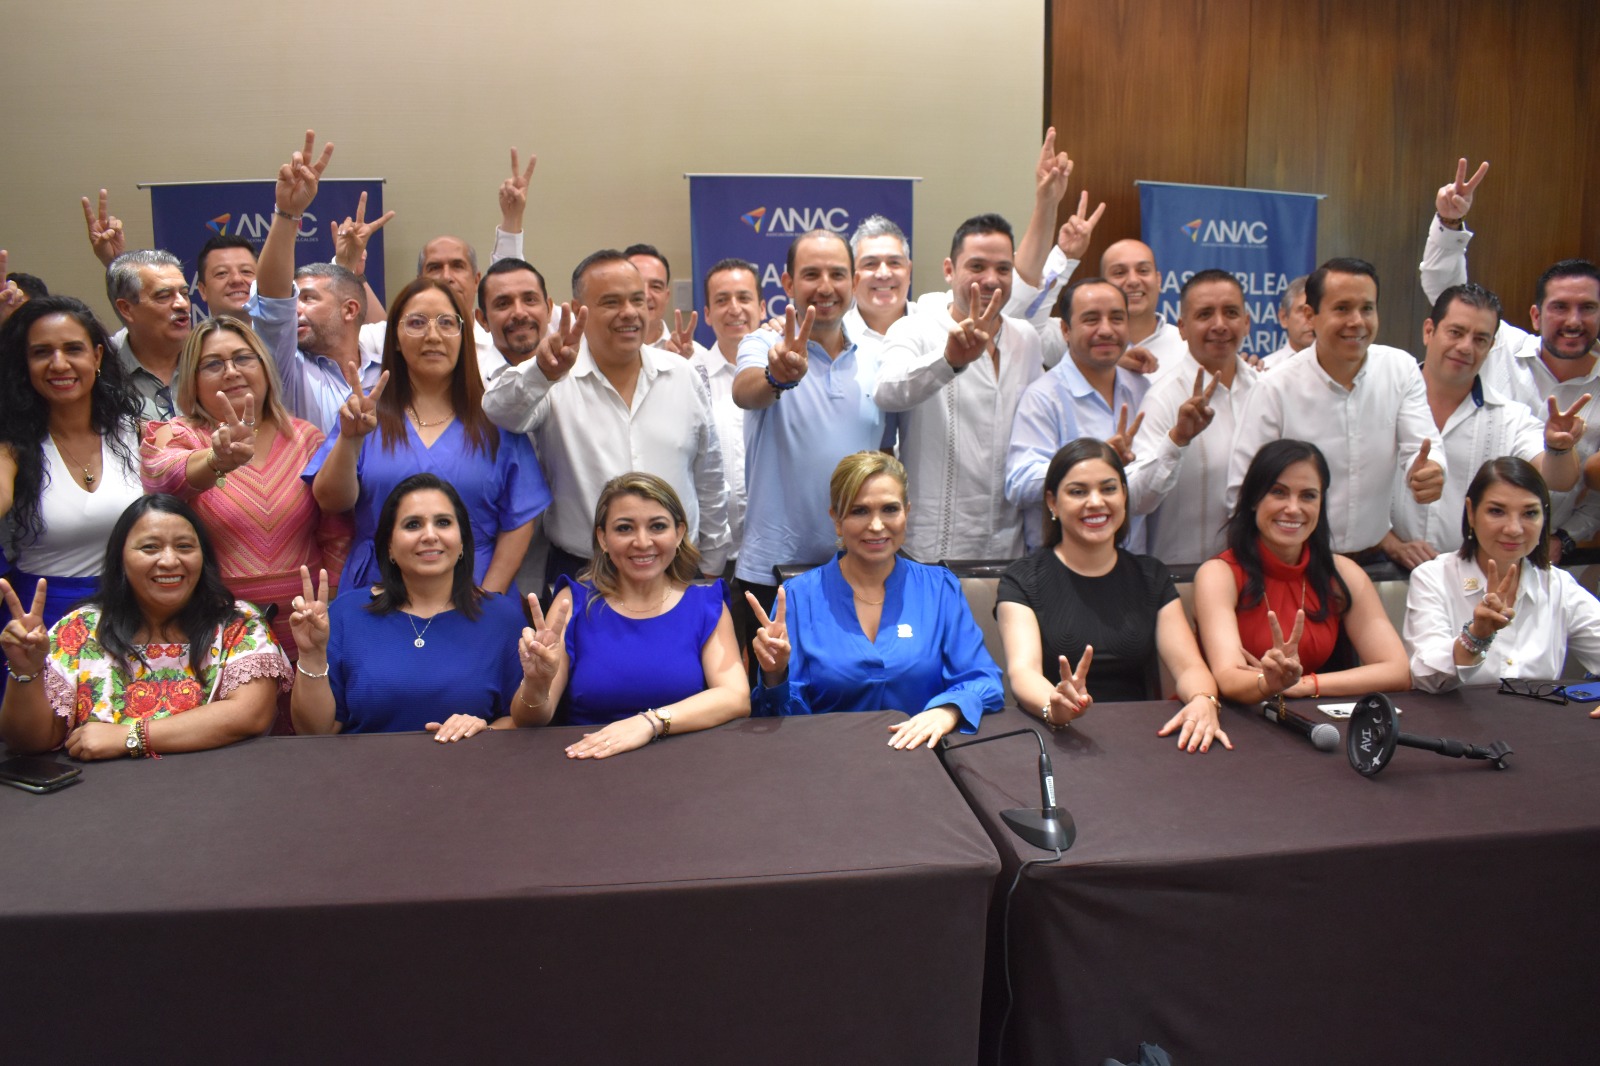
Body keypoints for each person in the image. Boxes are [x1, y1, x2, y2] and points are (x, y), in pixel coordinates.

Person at [481, 251, 729, 594]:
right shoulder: (554, 376)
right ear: (578, 309)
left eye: (637, 300)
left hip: (677, 570)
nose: (629, 312)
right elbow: (498, 411)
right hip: (585, 574)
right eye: (611, 302)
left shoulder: (682, 375)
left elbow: (709, 475)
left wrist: (712, 564)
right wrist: (542, 373)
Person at [139, 317, 350, 692]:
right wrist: (216, 460)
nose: (231, 371)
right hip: (217, 632)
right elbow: (162, 478)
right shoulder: (180, 435)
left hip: (307, 629)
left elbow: (336, 533)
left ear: (265, 367)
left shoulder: (306, 438)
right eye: (213, 364)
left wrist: (329, 604)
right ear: (192, 379)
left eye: (242, 358)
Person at [308, 277, 550, 595]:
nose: (433, 335)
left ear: (464, 337)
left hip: (474, 589)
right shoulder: (365, 411)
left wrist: (488, 598)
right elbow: (331, 501)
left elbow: (519, 519)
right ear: (395, 338)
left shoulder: (495, 416)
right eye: (417, 323)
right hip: (379, 591)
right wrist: (350, 440)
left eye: (446, 323)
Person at [0, 494, 289, 758]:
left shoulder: (237, 624)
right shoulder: (80, 629)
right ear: (121, 559)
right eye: (150, 547)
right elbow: (30, 741)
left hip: (217, 787)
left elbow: (250, 714)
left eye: (184, 547)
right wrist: (26, 671)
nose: (169, 560)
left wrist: (130, 736)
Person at [748, 452, 1002, 749]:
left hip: (924, 760)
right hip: (826, 759)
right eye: (859, 511)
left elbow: (984, 681)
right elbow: (778, 719)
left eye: (890, 509)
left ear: (907, 512)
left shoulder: (940, 588)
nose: (877, 525)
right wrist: (775, 675)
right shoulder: (798, 596)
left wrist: (948, 710)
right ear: (837, 520)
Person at [1419, 159, 1600, 562]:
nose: (1573, 321)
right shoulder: (1497, 342)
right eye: (1560, 307)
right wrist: (1449, 223)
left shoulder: (1516, 416)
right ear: (1536, 315)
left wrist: (1567, 538)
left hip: (1541, 555)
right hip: (1445, 545)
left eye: (1587, 308)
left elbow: (1582, 487)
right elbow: (1451, 295)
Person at [996, 439, 1229, 752]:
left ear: (1124, 495)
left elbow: (1188, 666)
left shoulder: (1150, 576)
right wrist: (1056, 706)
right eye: (1078, 492)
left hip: (1143, 738)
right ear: (1052, 502)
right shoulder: (1022, 579)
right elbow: (1023, 671)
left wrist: (1203, 699)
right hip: (1054, 738)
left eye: (1108, 489)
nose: (1096, 502)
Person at [511, 473, 748, 759]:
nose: (642, 542)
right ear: (603, 538)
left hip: (688, 764)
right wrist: (536, 684)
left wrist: (650, 723)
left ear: (679, 533)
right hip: (589, 764)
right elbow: (529, 720)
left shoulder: (705, 604)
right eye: (624, 528)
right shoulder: (572, 602)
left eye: (657, 526)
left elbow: (735, 697)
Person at [1227, 258, 1445, 558]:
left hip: (1372, 559)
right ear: (1310, 316)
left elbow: (1422, 448)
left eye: (1367, 308)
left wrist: (1430, 469)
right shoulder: (1274, 387)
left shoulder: (1400, 370)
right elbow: (1243, 490)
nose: (1357, 321)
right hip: (1295, 561)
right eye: (1342, 308)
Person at [289, 474, 531, 739]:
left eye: (443, 522)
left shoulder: (503, 619)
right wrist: (311, 655)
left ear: (462, 541)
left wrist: (486, 730)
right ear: (389, 547)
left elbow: (525, 722)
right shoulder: (346, 614)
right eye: (413, 524)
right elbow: (315, 732)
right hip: (366, 765)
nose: (430, 535)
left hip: (472, 763)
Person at [733, 231, 888, 633]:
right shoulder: (763, 342)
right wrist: (777, 376)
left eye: (837, 274)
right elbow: (745, 391)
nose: (825, 287)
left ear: (854, 282)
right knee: (771, 675)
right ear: (788, 283)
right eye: (811, 274)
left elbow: (886, 456)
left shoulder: (879, 355)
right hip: (773, 570)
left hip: (860, 566)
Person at [874, 214, 1043, 562]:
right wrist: (947, 360)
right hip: (931, 547)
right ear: (950, 270)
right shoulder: (914, 329)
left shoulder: (1025, 338)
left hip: (1009, 546)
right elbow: (887, 391)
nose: (991, 279)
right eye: (977, 266)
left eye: (1003, 268)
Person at [1194, 439, 1411, 703]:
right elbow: (1229, 678)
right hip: (1224, 714)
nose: (1293, 508)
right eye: (1278, 492)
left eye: (1308, 496)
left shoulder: (1342, 573)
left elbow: (1397, 670)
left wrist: (1304, 684)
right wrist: (1269, 683)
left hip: (1303, 712)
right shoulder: (1219, 574)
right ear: (1253, 499)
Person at [1386, 283, 1584, 567]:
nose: (1466, 347)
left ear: (1491, 347)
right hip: (1381, 568)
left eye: (1480, 339)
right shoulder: (1383, 400)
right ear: (1429, 331)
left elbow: (1560, 480)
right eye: (1456, 332)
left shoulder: (1509, 417)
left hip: (1469, 575)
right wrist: (1391, 544)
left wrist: (1559, 448)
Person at [0, 296, 146, 635]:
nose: (59, 363)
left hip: (133, 612)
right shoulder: (11, 447)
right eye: (41, 352)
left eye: (73, 349)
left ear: (96, 356)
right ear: (25, 364)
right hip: (40, 621)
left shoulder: (136, 432)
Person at [1404, 458, 1600, 698]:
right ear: (1471, 512)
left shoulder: (1557, 585)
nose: (1514, 529)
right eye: (1497, 511)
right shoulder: (1433, 577)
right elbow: (1426, 678)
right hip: (1455, 719)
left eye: (1530, 513)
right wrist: (1475, 637)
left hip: (1539, 718)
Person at [1127, 269, 1260, 566]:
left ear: (1247, 323)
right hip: (1183, 578)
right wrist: (1177, 440)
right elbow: (1137, 500)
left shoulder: (1265, 390)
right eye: (1204, 314)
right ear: (1182, 328)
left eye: (1231, 313)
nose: (1220, 325)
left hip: (1253, 575)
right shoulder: (1163, 398)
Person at [1006, 277, 1150, 550]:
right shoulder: (1043, 397)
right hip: (1063, 565)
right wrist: (1091, 463)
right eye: (1091, 320)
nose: (1106, 330)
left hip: (1132, 561)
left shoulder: (1141, 388)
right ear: (1065, 330)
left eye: (1117, 318)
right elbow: (1019, 484)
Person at [104, 249, 192, 421]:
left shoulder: (211, 360)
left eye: (184, 294)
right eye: (164, 296)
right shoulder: (103, 372)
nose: (182, 304)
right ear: (126, 309)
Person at [1258, 276, 1313, 369]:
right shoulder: (1265, 369)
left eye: (1316, 311)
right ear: (1284, 318)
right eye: (1303, 311)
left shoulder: (1338, 370)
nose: (1310, 319)